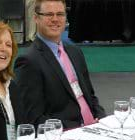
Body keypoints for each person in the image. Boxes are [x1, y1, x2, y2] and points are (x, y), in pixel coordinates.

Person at [14, 0, 106, 129]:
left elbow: (90, 96)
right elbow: (32, 117)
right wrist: (76, 129)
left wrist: (102, 118)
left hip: (95, 128)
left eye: (60, 14)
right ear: (36, 18)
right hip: (66, 135)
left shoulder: (75, 52)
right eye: (49, 14)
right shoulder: (29, 61)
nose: (55, 19)